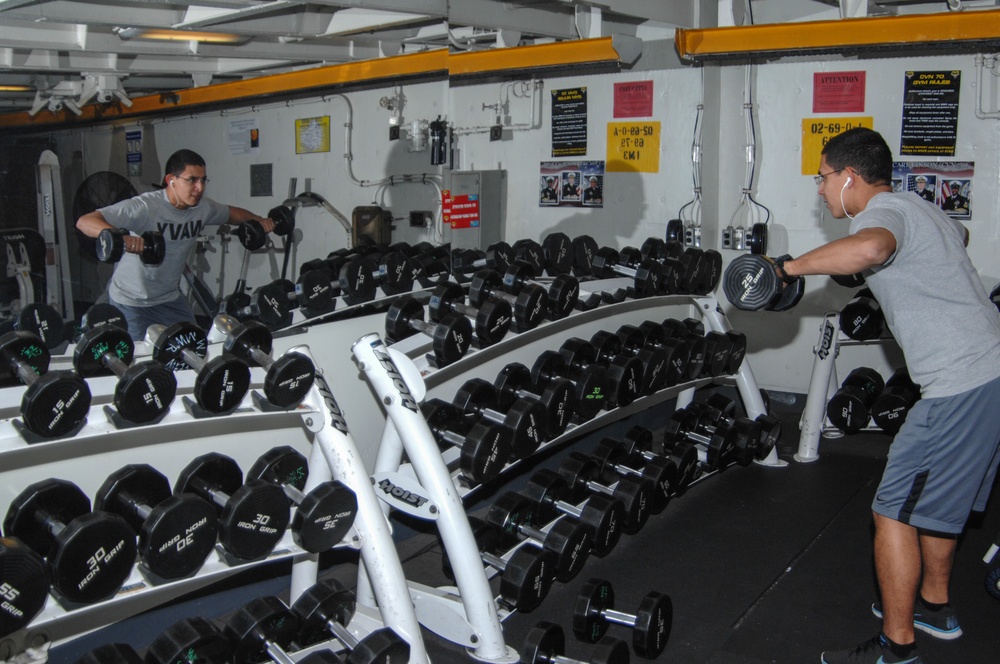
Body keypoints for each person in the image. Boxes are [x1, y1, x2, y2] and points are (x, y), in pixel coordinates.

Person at [780, 127, 1000, 664]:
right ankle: (934, 606)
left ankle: (896, 651)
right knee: (938, 506)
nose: (820, 189)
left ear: (850, 176)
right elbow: (956, 239)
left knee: (892, 511)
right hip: (987, 373)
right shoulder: (915, 207)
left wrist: (784, 268)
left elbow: (874, 246)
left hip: (960, 383)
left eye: (824, 177)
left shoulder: (875, 218)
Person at [76, 149, 275, 340]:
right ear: (171, 180)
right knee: (139, 364)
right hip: (132, 301)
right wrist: (121, 237)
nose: (200, 187)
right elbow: (85, 221)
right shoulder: (146, 207)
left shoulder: (202, 208)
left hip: (169, 299)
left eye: (203, 180)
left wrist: (259, 220)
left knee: (192, 347)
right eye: (192, 180)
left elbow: (231, 214)